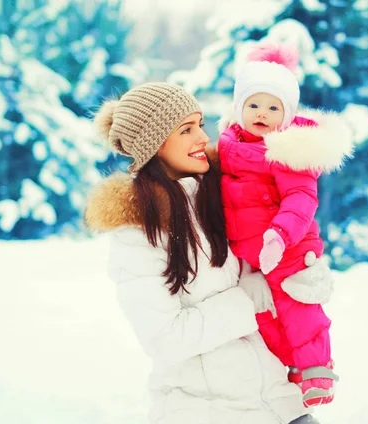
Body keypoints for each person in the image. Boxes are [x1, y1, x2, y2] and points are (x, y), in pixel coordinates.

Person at [84, 82, 332, 424]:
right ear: (153, 145)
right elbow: (165, 339)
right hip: (207, 411)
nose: (202, 137)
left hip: (284, 405)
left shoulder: (223, 194)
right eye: (186, 129)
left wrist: (301, 274)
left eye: (200, 124)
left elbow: (273, 256)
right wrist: (249, 299)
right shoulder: (137, 233)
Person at [210, 43, 354, 407]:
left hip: (287, 248)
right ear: (239, 108)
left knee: (299, 308)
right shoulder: (227, 147)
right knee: (266, 319)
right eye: (253, 105)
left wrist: (280, 235)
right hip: (251, 256)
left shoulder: (289, 150)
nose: (262, 113)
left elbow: (301, 198)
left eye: (273, 107)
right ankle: (290, 369)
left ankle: (318, 372)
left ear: (286, 114)